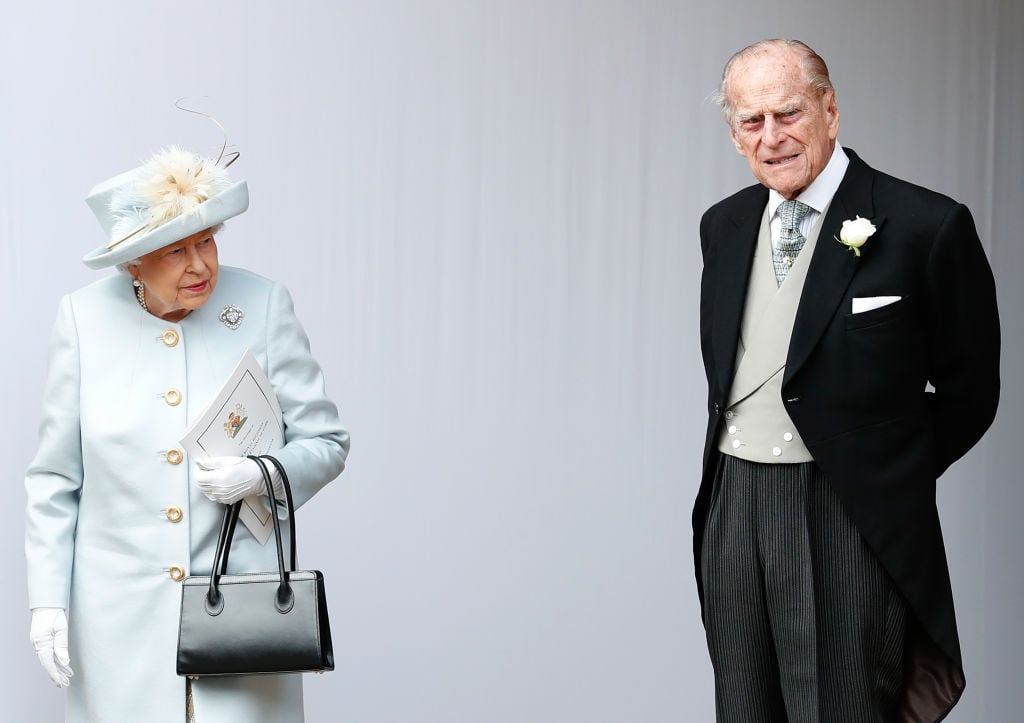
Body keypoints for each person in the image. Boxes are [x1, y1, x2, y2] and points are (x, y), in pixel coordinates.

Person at [694, 39, 999, 721]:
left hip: (844, 510)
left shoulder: (927, 225)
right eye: (751, 121)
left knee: (844, 707)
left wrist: (880, 466)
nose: (771, 137)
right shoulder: (725, 226)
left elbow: (973, 389)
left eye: (788, 113)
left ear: (830, 110)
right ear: (735, 134)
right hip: (732, 501)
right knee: (742, 705)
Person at [25, 145, 350, 722]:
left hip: (243, 622)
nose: (199, 265)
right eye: (175, 251)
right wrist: (47, 600)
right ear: (132, 262)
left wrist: (263, 474)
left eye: (206, 241)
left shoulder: (263, 304)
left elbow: (326, 441)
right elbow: (55, 479)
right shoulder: (82, 321)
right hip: (119, 627)